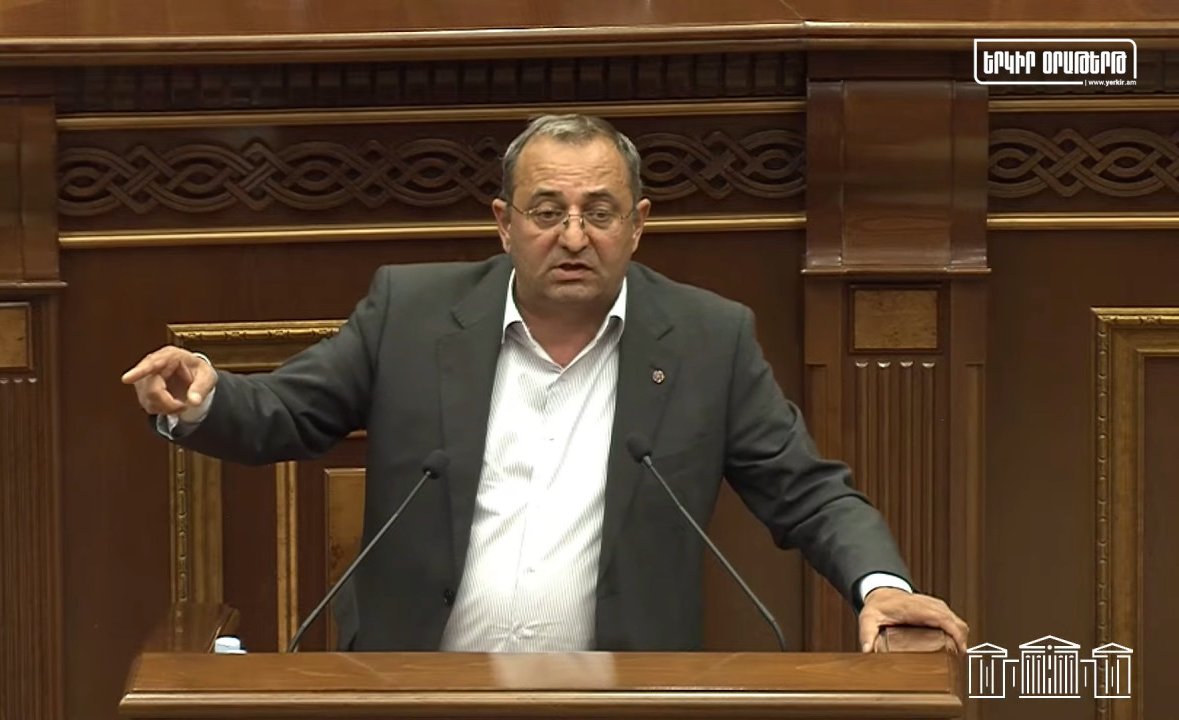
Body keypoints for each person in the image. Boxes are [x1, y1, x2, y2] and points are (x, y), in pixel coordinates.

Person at [122, 114, 969, 655]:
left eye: (600, 213)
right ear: (504, 223)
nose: (573, 236)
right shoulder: (411, 313)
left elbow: (808, 493)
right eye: (546, 211)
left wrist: (883, 589)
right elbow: (289, 411)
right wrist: (206, 395)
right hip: (417, 692)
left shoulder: (708, 340)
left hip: (619, 702)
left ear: (637, 226)